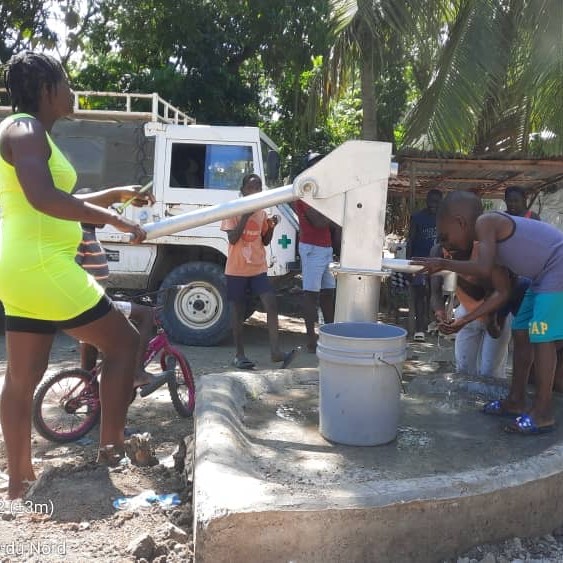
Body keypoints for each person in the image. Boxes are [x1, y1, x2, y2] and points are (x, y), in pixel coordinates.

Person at [0, 51, 151, 498]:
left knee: (23, 375)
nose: (72, 91)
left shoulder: (27, 133)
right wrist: (117, 222)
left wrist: (113, 196)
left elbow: (60, 195)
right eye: (65, 82)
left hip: (21, 266)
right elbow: (44, 198)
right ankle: (112, 448)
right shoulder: (25, 128)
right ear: (47, 90)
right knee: (124, 343)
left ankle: (19, 482)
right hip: (42, 263)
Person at [413, 191, 563, 435]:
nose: (445, 243)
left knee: (541, 335)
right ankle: (516, 400)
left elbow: (482, 269)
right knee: (521, 332)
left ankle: (543, 412)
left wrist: (444, 264)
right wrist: (463, 320)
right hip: (542, 276)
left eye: (445, 235)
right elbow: (503, 291)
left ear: (461, 223)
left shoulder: (486, 223)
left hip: (558, 266)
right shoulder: (487, 244)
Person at [220, 173, 296, 369]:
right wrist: (245, 214)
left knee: (270, 304)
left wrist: (271, 227)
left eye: (258, 188)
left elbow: (264, 240)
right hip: (237, 269)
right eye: (252, 187)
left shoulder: (262, 211)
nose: (255, 191)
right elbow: (233, 239)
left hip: (258, 267)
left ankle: (276, 353)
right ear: (243, 190)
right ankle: (239, 355)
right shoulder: (232, 210)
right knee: (237, 311)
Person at [75, 217, 160, 389]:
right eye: (100, 209)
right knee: (146, 313)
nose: (104, 214)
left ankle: (89, 392)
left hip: (92, 300)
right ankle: (136, 372)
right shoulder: (81, 236)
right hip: (91, 302)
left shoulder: (89, 234)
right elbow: (74, 268)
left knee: (90, 342)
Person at [429, 242, 512, 379]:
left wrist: (452, 269)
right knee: (463, 370)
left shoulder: (482, 250)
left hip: (495, 314)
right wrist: (440, 314)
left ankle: (492, 400)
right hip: (465, 313)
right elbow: (435, 292)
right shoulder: (438, 251)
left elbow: (480, 294)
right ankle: (465, 399)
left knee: (490, 372)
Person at [294, 152, 337, 353]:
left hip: (325, 248)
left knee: (328, 293)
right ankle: (311, 339)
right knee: (311, 295)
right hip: (312, 248)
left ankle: (329, 334)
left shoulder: (321, 193)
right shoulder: (305, 193)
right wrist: (337, 210)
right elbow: (319, 222)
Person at [406, 189, 443, 342]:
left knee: (437, 294)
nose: (433, 204)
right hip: (419, 263)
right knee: (420, 295)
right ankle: (420, 328)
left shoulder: (445, 219)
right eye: (431, 201)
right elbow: (410, 241)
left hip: (439, 264)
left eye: (437, 201)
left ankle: (438, 325)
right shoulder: (417, 217)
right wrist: (408, 265)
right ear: (427, 200)